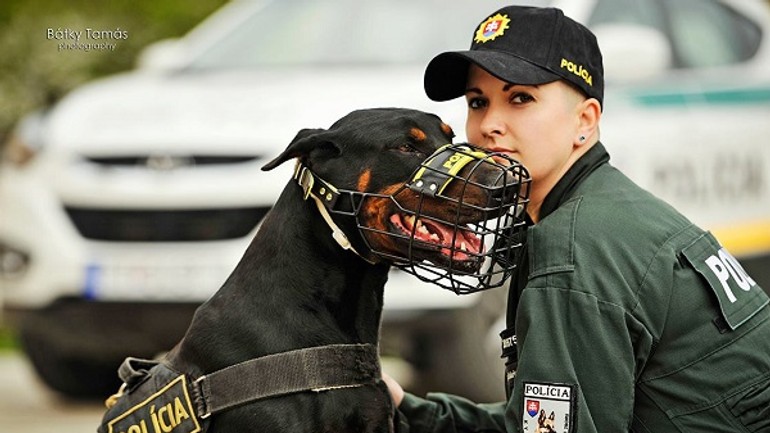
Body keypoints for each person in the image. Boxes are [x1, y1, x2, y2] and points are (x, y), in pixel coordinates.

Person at [383, 5, 770, 432]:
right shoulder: (605, 203)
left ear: (584, 120)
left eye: (520, 98)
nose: (490, 124)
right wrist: (413, 412)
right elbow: (546, 420)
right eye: (478, 102)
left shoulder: (574, 244)